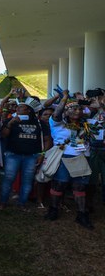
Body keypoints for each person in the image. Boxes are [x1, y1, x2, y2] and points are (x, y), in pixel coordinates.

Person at [45, 92, 94, 228]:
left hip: (82, 157)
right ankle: (53, 210)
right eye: (73, 108)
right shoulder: (57, 123)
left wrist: (84, 101)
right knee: (59, 185)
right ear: (66, 111)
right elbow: (57, 113)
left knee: (80, 186)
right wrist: (64, 99)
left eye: (79, 109)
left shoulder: (87, 123)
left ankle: (82, 214)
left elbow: (99, 107)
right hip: (64, 157)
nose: (77, 111)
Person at [0, 103, 50, 210]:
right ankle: (3, 202)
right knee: (8, 178)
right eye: (17, 108)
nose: (18, 109)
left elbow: (47, 140)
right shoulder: (11, 121)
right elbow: (3, 135)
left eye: (21, 108)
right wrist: (10, 123)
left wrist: (42, 153)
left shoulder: (39, 123)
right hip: (13, 154)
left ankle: (22, 203)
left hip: (32, 156)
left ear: (29, 111)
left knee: (27, 180)